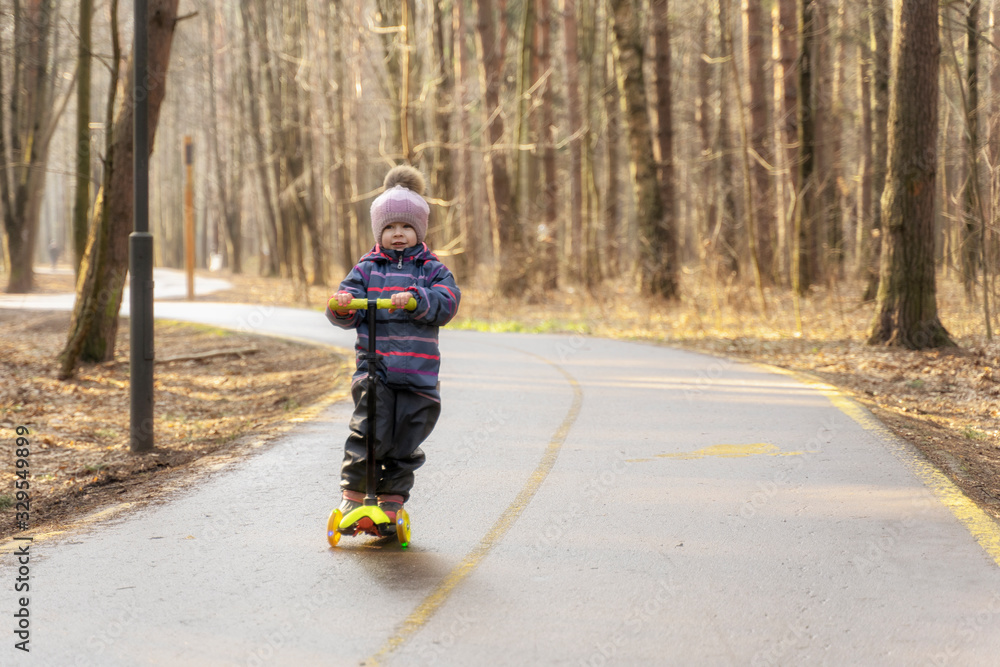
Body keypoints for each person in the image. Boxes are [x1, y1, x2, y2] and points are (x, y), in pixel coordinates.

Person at [326, 165, 461, 534]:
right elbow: (346, 302)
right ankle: (353, 496)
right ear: (378, 232)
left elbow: (448, 301)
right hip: (376, 369)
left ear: (418, 230)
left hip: (419, 374)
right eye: (389, 228)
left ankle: (390, 503)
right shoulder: (367, 268)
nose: (397, 234)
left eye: (405, 227)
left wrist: (418, 300)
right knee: (369, 431)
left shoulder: (432, 270)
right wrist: (342, 304)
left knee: (406, 439)